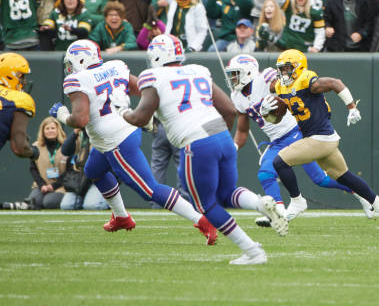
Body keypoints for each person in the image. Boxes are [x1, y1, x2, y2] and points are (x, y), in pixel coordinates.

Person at [115, 35, 287, 265]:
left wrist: (122, 111)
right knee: (227, 193)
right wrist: (216, 136)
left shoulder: (153, 76)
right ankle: (259, 203)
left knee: (206, 205)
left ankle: (253, 251)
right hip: (221, 136)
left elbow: (140, 117)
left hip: (195, 143)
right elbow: (229, 110)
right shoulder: (198, 70)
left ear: (156, 56)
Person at [48, 39, 217, 245]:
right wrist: (147, 116)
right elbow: (144, 90)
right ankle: (121, 217)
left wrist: (62, 114)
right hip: (118, 132)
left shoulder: (77, 80)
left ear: (81, 59)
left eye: (71, 62)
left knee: (149, 190)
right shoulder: (115, 67)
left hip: (116, 141)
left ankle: (202, 220)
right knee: (93, 170)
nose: (69, 68)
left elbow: (80, 119)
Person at [225, 54, 372, 225]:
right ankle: (278, 213)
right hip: (277, 140)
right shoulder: (237, 96)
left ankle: (361, 194)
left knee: (321, 179)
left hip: (295, 132)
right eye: (231, 74)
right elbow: (242, 131)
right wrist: (234, 147)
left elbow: (284, 82)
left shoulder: (264, 79)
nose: (232, 78)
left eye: (235, 73)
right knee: (267, 174)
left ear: (249, 72)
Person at [265, 49, 379, 231]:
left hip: (321, 137)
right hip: (318, 137)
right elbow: (277, 114)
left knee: (280, 161)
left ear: (298, 67)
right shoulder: (281, 86)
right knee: (343, 176)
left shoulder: (307, 80)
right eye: (281, 69)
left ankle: (297, 201)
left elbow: (335, 83)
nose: (283, 73)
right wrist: (268, 111)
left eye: (287, 68)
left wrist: (352, 107)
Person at [0, 53, 39, 160]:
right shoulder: (18, 100)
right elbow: (19, 148)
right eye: (21, 76)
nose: (24, 81)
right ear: (8, 75)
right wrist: (33, 152)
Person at [59, 128, 109, 211]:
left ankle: (110, 200)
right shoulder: (80, 135)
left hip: (98, 178)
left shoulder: (102, 132)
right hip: (80, 178)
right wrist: (75, 133)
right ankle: (87, 198)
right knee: (67, 206)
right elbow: (65, 151)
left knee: (92, 206)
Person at [25, 117, 67, 210]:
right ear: (43, 131)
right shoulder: (35, 146)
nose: (50, 131)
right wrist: (42, 185)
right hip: (41, 186)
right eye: (47, 128)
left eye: (53, 128)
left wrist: (53, 186)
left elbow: (69, 171)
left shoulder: (67, 145)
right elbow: (33, 169)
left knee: (49, 202)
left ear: (58, 130)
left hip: (61, 186)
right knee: (35, 202)